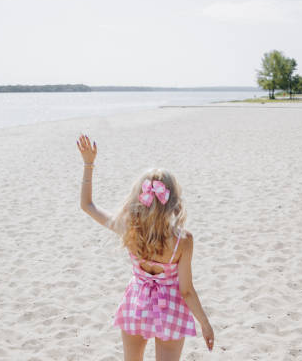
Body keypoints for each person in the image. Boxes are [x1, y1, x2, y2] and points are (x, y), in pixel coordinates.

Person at [76, 133, 215, 360]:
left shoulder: (128, 229)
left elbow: (87, 205)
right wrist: (205, 324)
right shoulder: (182, 241)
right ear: (172, 201)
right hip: (169, 308)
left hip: (137, 303)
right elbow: (186, 291)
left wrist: (88, 164)